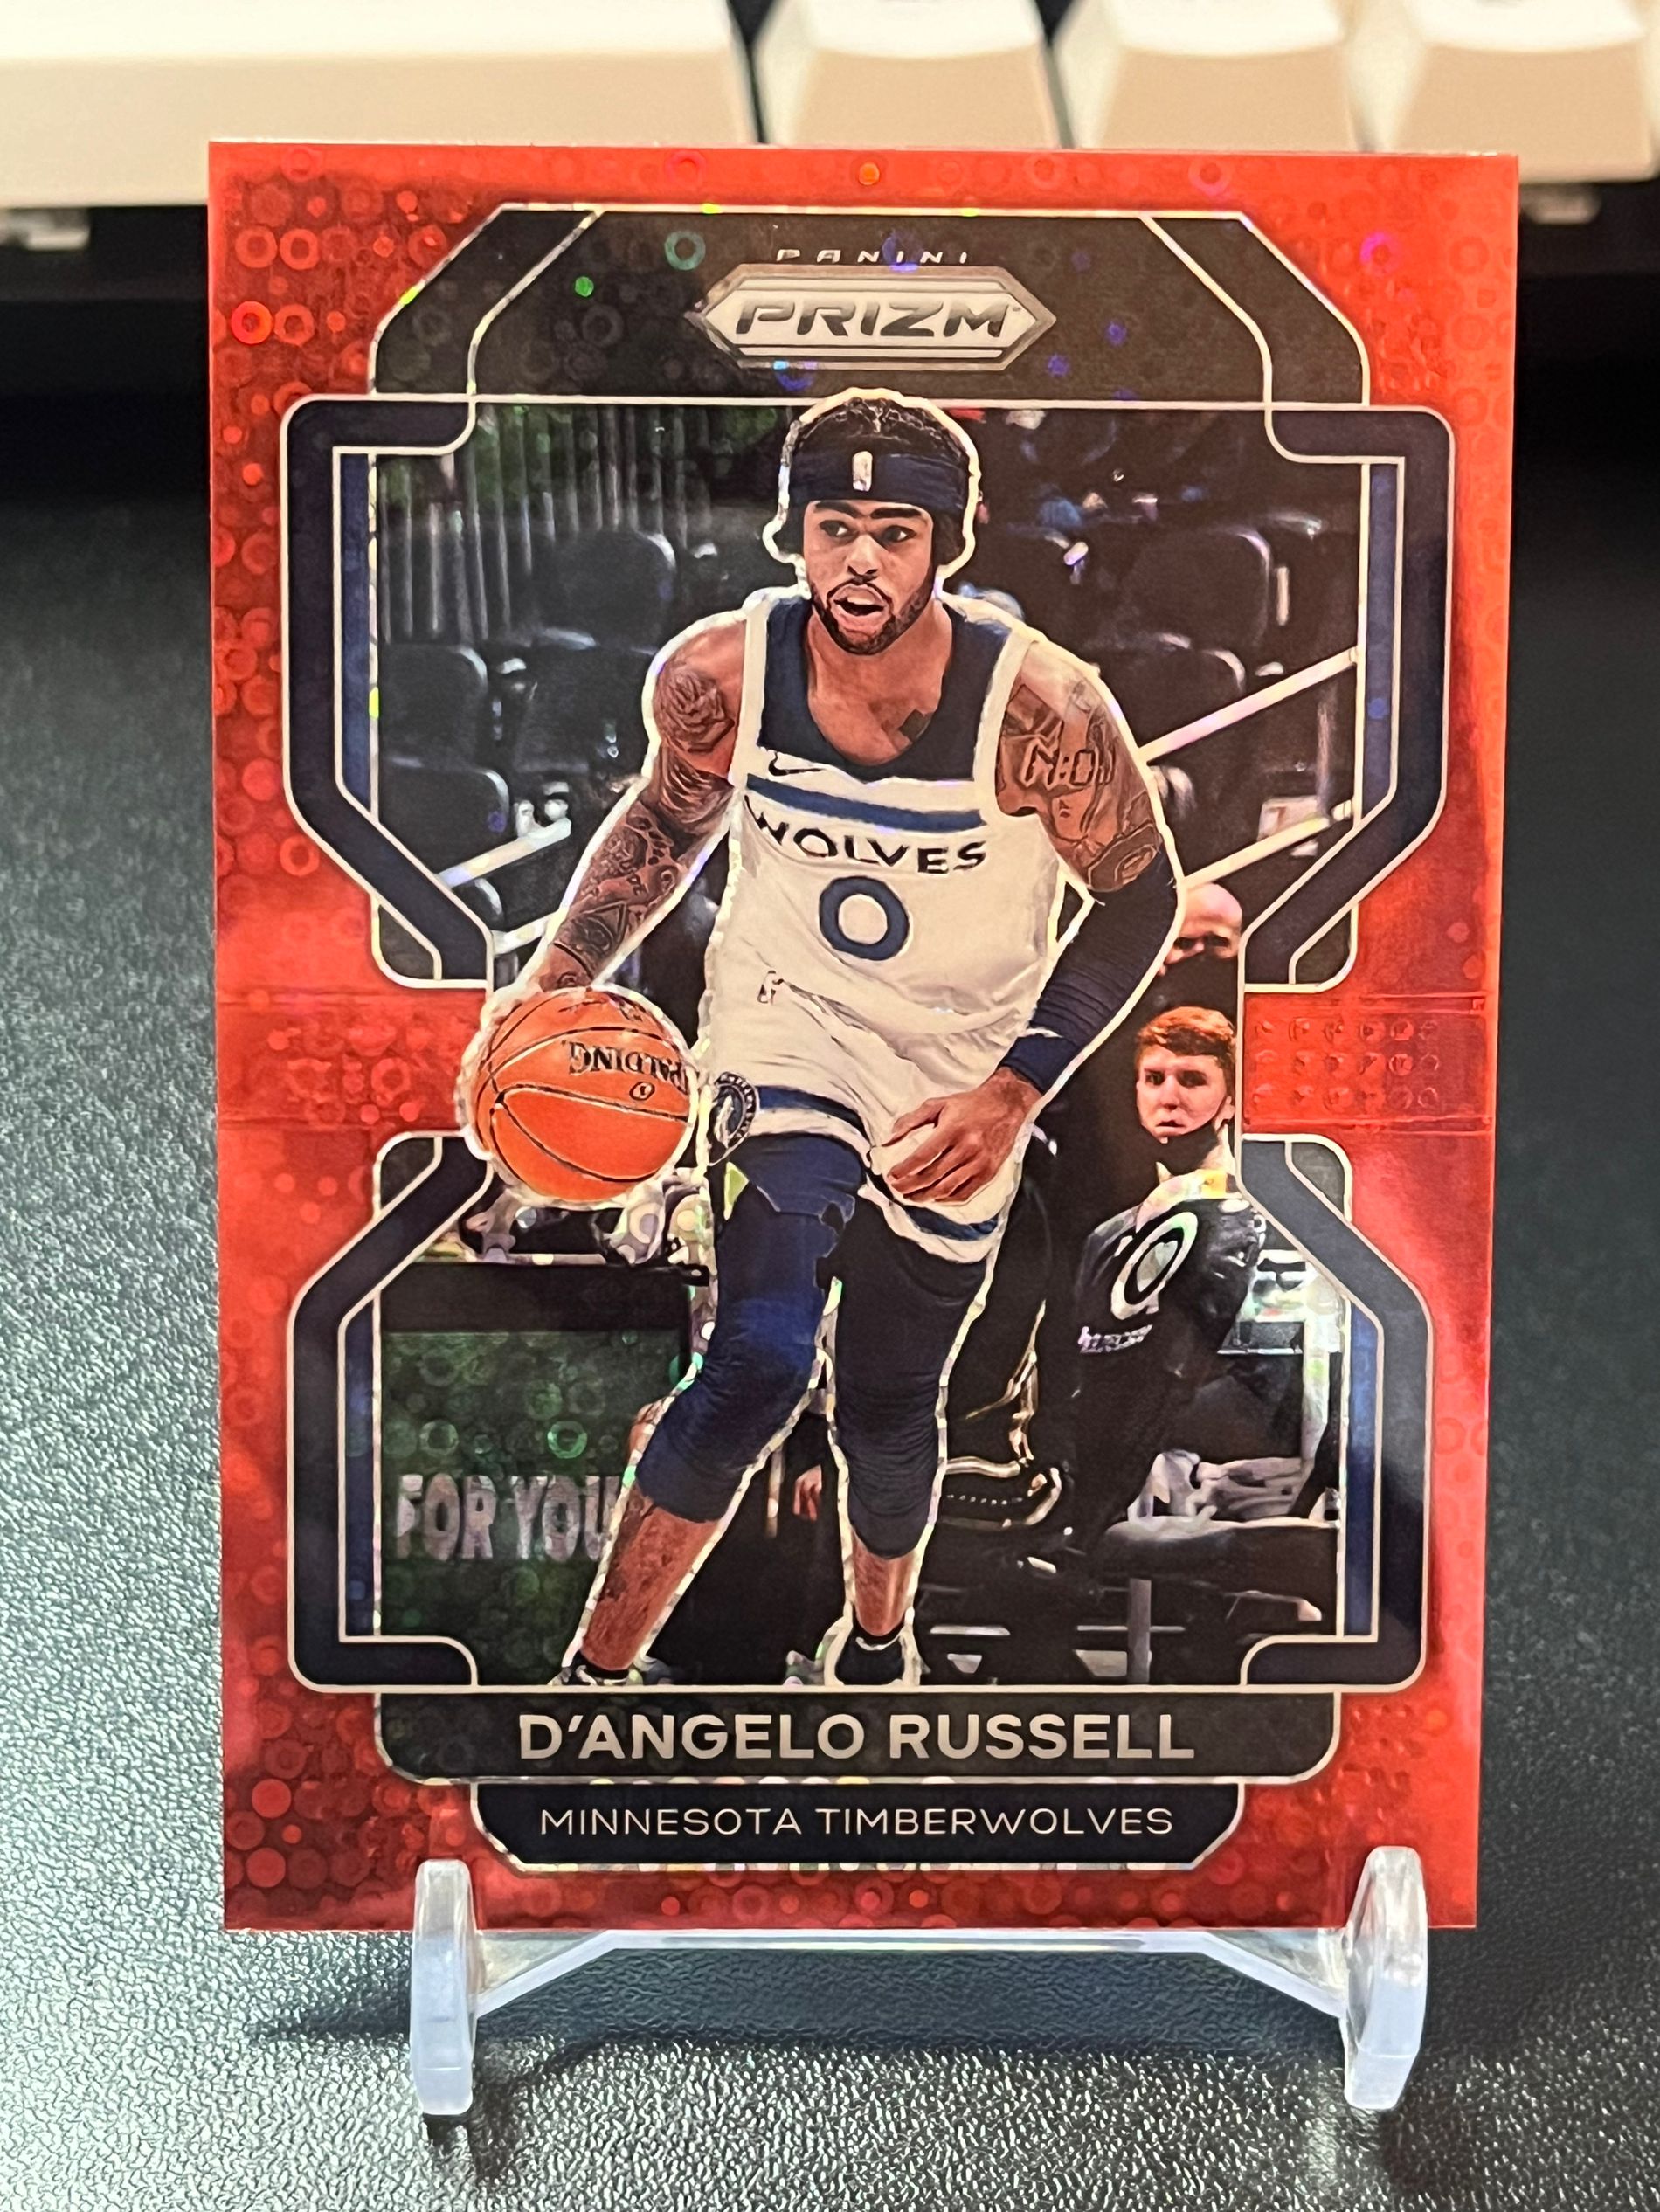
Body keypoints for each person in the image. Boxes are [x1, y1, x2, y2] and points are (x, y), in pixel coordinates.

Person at [460, 388, 1178, 1688]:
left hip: (962, 1068)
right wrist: (552, 979)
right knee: (759, 1357)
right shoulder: (719, 675)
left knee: (892, 1404)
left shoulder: (1043, 709)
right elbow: (664, 822)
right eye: (834, 527)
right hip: (782, 1028)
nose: (860, 558)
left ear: (945, 542)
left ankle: (878, 1642)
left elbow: (1141, 899)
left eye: (894, 531)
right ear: (792, 533)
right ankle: (595, 1678)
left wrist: (1016, 1091)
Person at [1063, 1006, 1267, 1548]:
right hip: (1101, 1482)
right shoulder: (1107, 1235)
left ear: (1232, 1098)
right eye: (1154, 1079)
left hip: (1209, 1480)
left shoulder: (1259, 1217)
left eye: (1193, 1080)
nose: (1169, 1098)